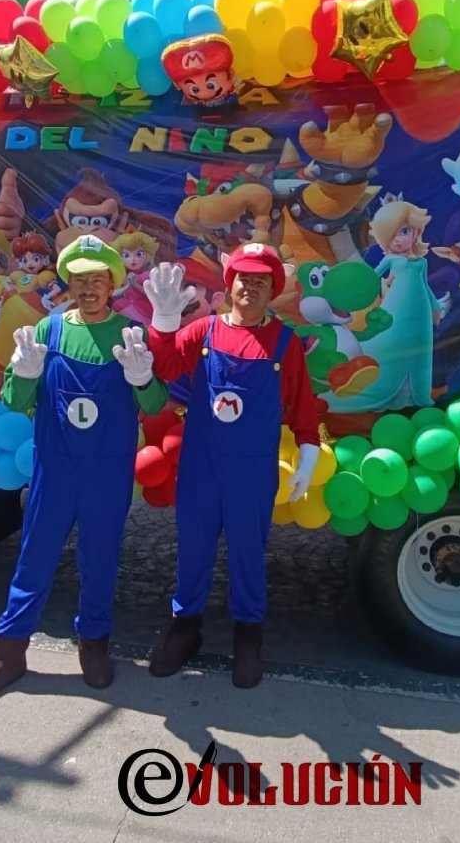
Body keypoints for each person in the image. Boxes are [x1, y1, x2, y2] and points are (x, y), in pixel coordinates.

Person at [0, 234, 167, 706]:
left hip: (107, 473)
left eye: (98, 279)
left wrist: (143, 377)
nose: (89, 288)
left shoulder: (130, 335)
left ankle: (93, 645)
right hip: (55, 470)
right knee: (34, 558)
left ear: (113, 284)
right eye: (80, 279)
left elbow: (155, 405)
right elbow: (15, 401)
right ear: (69, 283)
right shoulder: (47, 332)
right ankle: (8, 652)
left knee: (99, 560)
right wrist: (25, 372)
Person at [139, 242, 320, 688]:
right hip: (201, 466)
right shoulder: (203, 331)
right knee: (193, 552)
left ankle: (248, 638)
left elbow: (301, 404)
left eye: (261, 281)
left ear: (273, 290)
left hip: (252, 471)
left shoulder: (285, 342)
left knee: (247, 555)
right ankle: (185, 632)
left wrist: (309, 448)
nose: (250, 287)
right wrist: (163, 321)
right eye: (244, 278)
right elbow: (162, 365)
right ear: (230, 283)